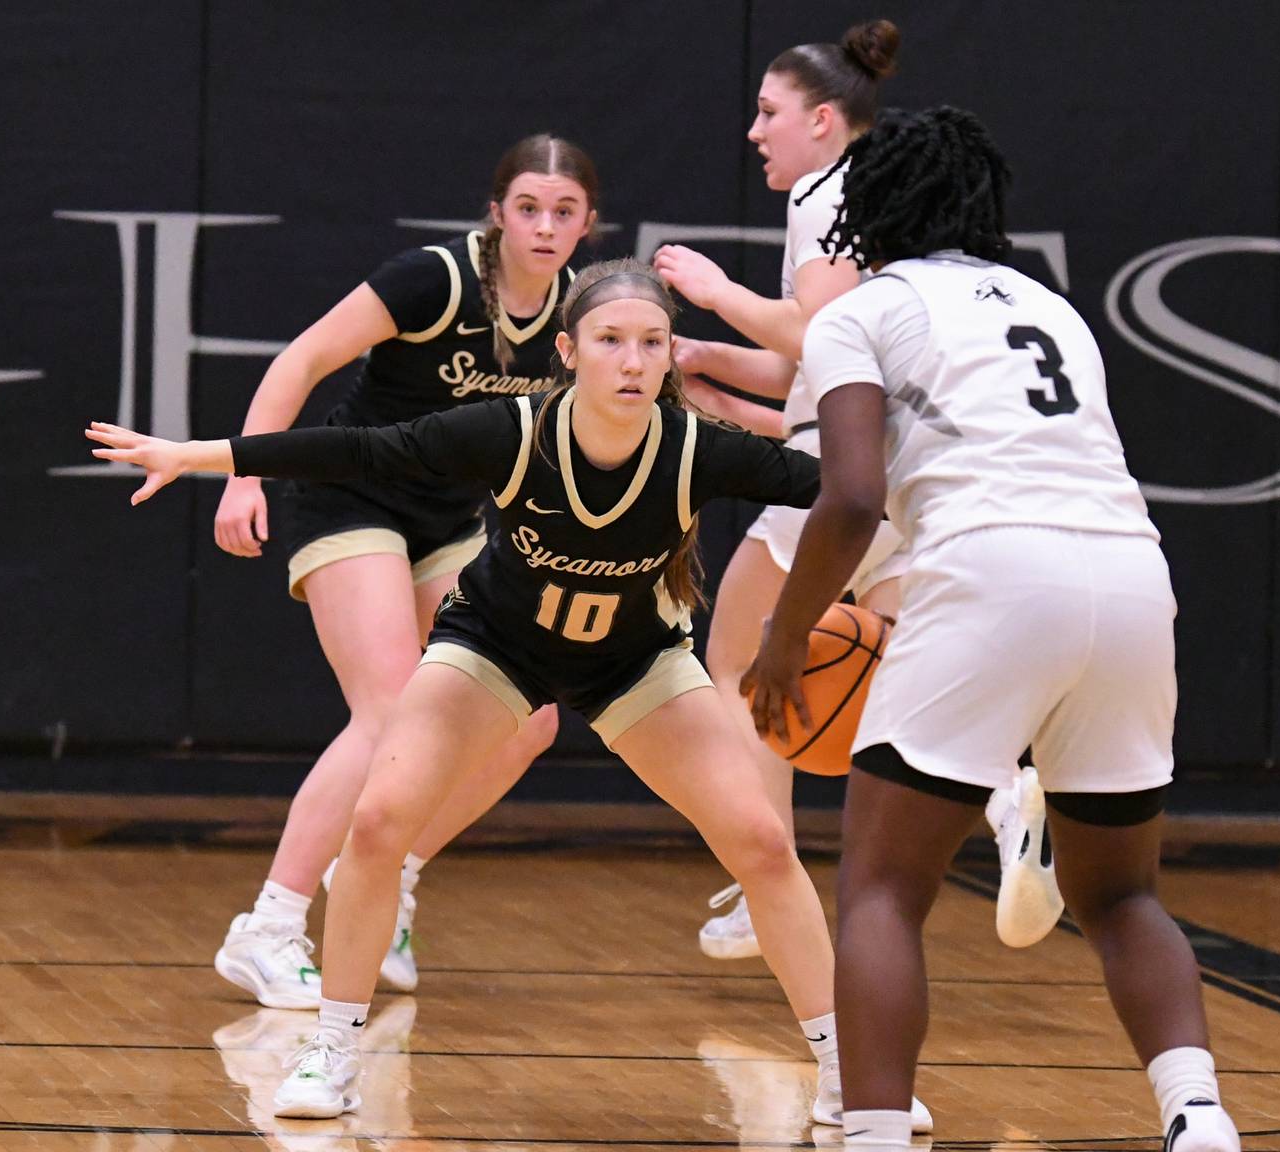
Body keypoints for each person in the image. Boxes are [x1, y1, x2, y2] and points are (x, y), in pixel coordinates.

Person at [85, 258, 933, 1133]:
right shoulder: (512, 430)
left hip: (634, 660)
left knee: (761, 840)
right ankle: (333, 1047)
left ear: (671, 354)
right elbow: (362, 450)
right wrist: (206, 455)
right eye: (611, 341)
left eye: (651, 343)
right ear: (570, 350)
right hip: (495, 647)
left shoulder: (695, 448)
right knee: (379, 824)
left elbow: (849, 494)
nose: (633, 361)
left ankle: (847, 1072)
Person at [743, 107, 1241, 1152]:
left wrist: (786, 637)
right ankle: (1199, 1117)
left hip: (988, 569)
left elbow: (849, 500)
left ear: (866, 209)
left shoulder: (864, 309)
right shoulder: (1056, 312)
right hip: (1131, 577)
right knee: (1123, 896)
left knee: (883, 887)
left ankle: (875, 1136)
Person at [654, 23, 1061, 958]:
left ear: (824, 120)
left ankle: (767, 878)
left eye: (769, 113)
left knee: (734, 659)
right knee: (895, 668)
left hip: (841, 478)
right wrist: (713, 363)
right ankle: (1007, 801)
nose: (754, 132)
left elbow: (825, 334)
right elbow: (820, 358)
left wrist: (715, 293)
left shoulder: (821, 191)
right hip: (902, 473)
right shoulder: (890, 206)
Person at [209, 134, 598, 1008]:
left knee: (527, 718)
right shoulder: (433, 278)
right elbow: (300, 359)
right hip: (354, 496)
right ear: (497, 213)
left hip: (452, 521)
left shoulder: (581, 311)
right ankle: (268, 925)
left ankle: (388, 872)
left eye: (563, 212)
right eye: (528, 208)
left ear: (587, 225)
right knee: (389, 712)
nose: (544, 227)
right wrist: (245, 473)